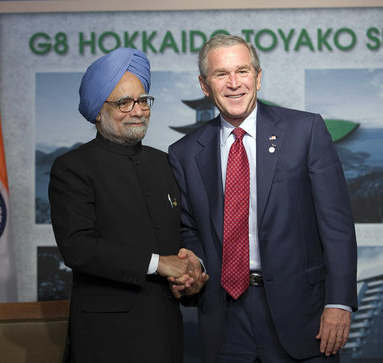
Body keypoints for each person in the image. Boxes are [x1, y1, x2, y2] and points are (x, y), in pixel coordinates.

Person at [168, 34, 358, 362]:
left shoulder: (305, 131)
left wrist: (338, 302)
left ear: (258, 77)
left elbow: (336, 225)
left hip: (303, 313)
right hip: (225, 316)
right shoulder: (184, 153)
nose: (233, 83)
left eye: (242, 71)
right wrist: (193, 266)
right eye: (220, 74)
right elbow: (190, 230)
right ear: (204, 84)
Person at [48, 47, 206, 363]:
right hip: (107, 338)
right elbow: (78, 247)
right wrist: (160, 264)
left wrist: (194, 270)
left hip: (166, 334)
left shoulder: (165, 163)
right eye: (124, 102)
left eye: (143, 100)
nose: (138, 110)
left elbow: (185, 232)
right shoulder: (72, 168)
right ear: (97, 111)